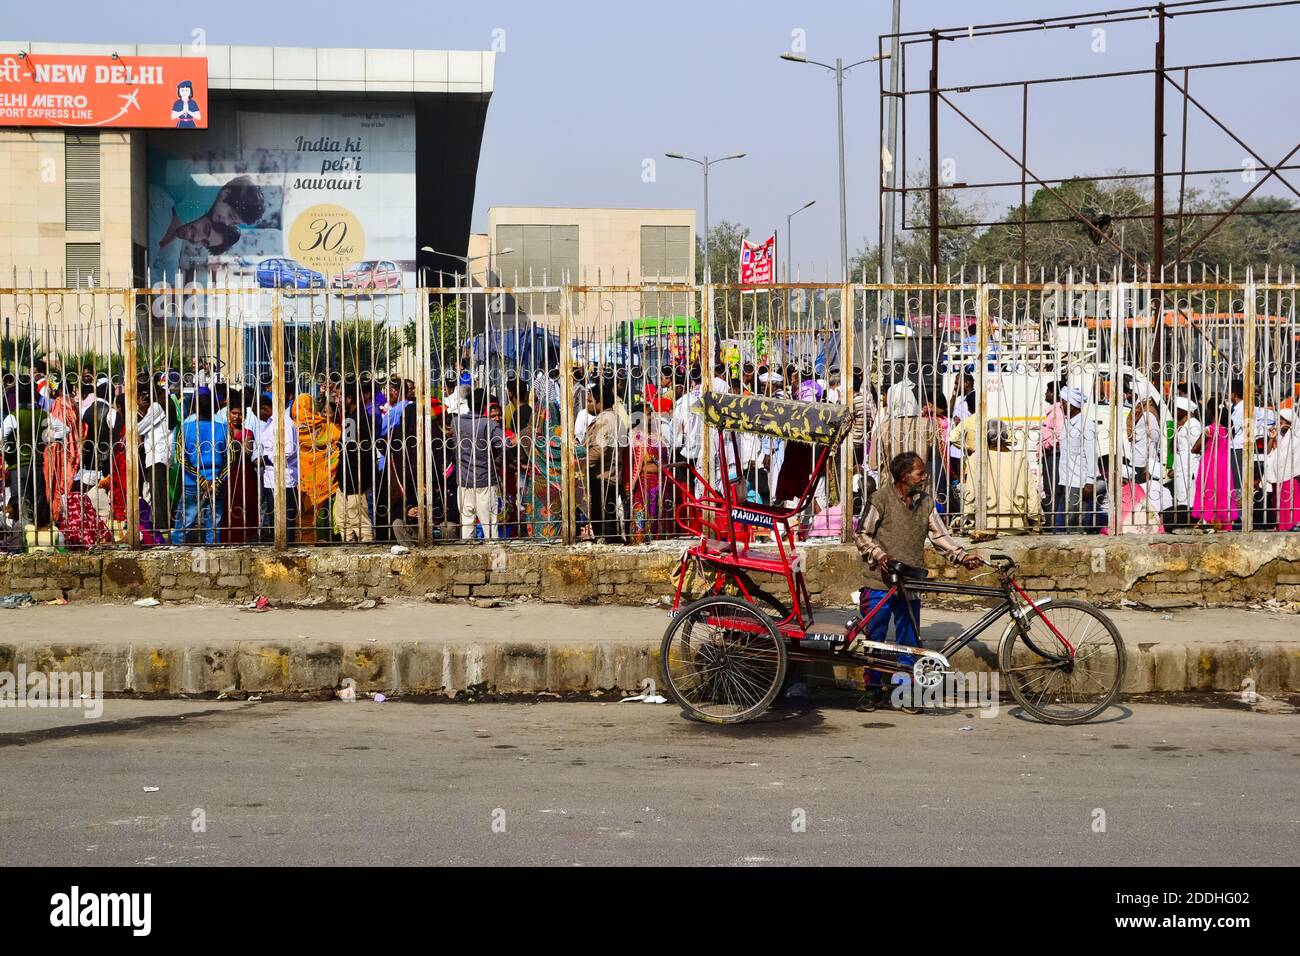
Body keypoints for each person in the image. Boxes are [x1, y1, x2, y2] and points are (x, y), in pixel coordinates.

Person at [853, 451, 982, 711]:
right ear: (904, 477)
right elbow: (862, 535)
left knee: (909, 641)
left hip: (910, 582)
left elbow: (939, 536)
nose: (924, 477)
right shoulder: (881, 499)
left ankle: (905, 692)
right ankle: (873, 690)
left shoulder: (926, 503)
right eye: (920, 473)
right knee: (875, 638)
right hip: (879, 582)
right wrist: (879, 555)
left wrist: (961, 556)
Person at [960, 419, 1039, 531]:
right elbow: (1031, 493)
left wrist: (967, 523)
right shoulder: (1019, 459)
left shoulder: (977, 459)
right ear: (1006, 436)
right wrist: (1035, 522)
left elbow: (970, 494)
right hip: (1016, 525)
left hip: (986, 524)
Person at [171, 389, 227, 544]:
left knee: (184, 524)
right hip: (217, 480)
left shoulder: (186, 425)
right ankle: (213, 557)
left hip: (193, 481)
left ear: (194, 405)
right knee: (213, 524)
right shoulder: (222, 424)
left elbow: (181, 457)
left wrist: (202, 481)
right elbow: (230, 458)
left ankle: (177, 554)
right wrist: (215, 482)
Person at [452, 390, 509, 539]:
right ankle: (494, 559)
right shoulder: (488, 424)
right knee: (490, 529)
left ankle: (467, 559)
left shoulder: (455, 422)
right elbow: (505, 443)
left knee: (467, 525)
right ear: (484, 405)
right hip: (485, 480)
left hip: (464, 481)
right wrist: (495, 457)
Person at [254, 393, 299, 543]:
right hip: (271, 478)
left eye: (257, 412)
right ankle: (278, 544)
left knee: (285, 519)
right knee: (275, 518)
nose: (257, 417)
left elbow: (287, 449)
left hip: (284, 478)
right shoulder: (272, 422)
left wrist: (265, 459)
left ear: (264, 408)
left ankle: (287, 548)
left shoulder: (283, 422)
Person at [1054, 386, 1098, 531]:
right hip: (1066, 480)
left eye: (1063, 402)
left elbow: (1092, 455)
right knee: (1062, 524)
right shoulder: (1067, 423)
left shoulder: (1086, 425)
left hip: (1078, 482)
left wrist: (1090, 482)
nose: (1060, 405)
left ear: (1072, 405)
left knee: (1074, 525)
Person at [1191, 401, 1236, 530]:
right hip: (1224, 465)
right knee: (1222, 494)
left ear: (1210, 412)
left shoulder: (1209, 429)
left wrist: (1204, 448)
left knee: (1208, 492)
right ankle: (1223, 524)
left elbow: (1194, 449)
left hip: (1210, 465)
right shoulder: (1227, 430)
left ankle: (1209, 522)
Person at [137, 384, 172, 536]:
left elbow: (138, 428)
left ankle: (162, 530)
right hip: (158, 455)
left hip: (157, 456)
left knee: (157, 496)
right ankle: (161, 529)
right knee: (158, 493)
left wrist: (137, 410)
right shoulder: (161, 406)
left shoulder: (157, 407)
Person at [1263, 407, 1299, 532]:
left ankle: (1292, 525)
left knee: (1289, 502)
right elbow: (1268, 452)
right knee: (1278, 503)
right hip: (1277, 475)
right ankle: (1281, 527)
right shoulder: (1280, 436)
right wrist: (1272, 438)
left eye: (1282, 422)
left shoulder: (1296, 437)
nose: (1279, 425)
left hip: (1290, 475)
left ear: (1290, 423)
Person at [1170, 396, 1203, 528]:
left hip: (1189, 466)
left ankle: (1187, 523)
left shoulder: (1193, 424)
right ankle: (1182, 521)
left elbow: (1196, 447)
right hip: (1181, 465)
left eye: (1178, 410)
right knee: (1180, 493)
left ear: (1184, 411)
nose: (1175, 412)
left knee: (1186, 494)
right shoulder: (1184, 424)